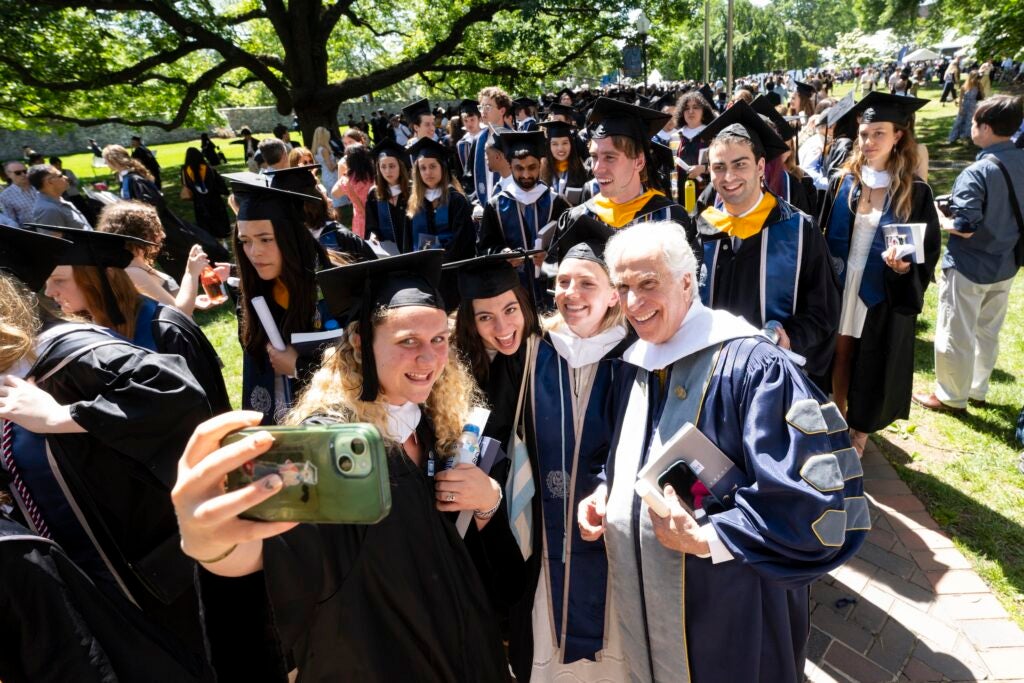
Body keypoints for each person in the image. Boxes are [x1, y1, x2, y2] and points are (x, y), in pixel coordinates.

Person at [172, 251, 511, 682]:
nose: (429, 359)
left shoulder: (428, 420)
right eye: (408, 341)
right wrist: (211, 546)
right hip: (374, 657)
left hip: (460, 645)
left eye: (439, 339)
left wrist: (488, 500)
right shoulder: (330, 444)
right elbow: (276, 547)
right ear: (358, 343)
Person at [577, 220, 867, 683]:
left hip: (731, 606)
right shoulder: (638, 363)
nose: (633, 303)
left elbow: (809, 501)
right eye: (624, 287)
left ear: (688, 281)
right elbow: (639, 455)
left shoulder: (754, 366)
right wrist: (608, 492)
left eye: (649, 284)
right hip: (648, 607)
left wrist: (707, 538)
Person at [0, 224, 215, 680]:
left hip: (144, 577)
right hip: (88, 584)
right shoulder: (10, 376)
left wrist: (61, 418)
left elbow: (175, 389)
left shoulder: (68, 352)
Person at [510, 217, 633, 681]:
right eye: (563, 281)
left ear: (613, 295)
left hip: (612, 540)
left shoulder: (635, 357)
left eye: (587, 282)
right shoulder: (534, 349)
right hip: (544, 534)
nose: (571, 293)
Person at [818, 92, 941, 454]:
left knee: (869, 359)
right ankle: (838, 417)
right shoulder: (844, 181)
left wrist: (905, 269)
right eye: (864, 134)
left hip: (881, 288)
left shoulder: (914, 191)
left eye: (879, 134)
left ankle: (861, 428)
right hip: (842, 281)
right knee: (840, 354)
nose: (869, 142)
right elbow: (823, 229)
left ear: (898, 136)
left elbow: (926, 250)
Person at [695, 100, 840, 386]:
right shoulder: (702, 226)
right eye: (719, 167)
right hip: (707, 369)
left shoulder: (798, 228)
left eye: (740, 164)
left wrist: (792, 337)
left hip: (772, 375)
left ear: (761, 166)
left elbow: (823, 309)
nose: (729, 177)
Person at [36, 224, 231, 415]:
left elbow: (202, 406)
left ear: (103, 277)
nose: (49, 292)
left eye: (59, 280)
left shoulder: (164, 328)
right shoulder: (82, 332)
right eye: (47, 281)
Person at [914, 95, 1024, 413]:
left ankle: (950, 396)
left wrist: (937, 215)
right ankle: (977, 389)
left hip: (970, 264)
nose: (972, 127)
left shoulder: (977, 172)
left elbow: (965, 226)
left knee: (956, 331)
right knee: (988, 331)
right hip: (1006, 264)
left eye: (974, 122)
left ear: (985, 128)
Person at [231, 178, 338, 425]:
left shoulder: (334, 288)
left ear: (291, 237)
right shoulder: (253, 294)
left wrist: (299, 366)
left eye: (265, 239)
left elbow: (360, 368)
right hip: (276, 422)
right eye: (245, 241)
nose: (254, 252)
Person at [559, 98, 694, 257]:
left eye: (610, 157)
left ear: (639, 161)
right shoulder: (579, 218)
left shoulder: (671, 218)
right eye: (594, 157)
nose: (596, 168)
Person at [102, 144, 230, 280]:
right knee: (173, 255)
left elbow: (155, 202)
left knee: (182, 248)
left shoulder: (134, 179)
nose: (106, 164)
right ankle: (192, 276)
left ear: (112, 160)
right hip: (152, 226)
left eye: (106, 160)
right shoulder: (127, 178)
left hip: (160, 224)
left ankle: (210, 265)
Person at [479, 131, 571, 304]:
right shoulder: (496, 205)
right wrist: (502, 254)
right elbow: (485, 246)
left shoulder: (556, 202)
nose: (526, 175)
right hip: (512, 290)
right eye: (519, 168)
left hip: (552, 290)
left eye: (532, 167)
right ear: (509, 165)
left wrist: (551, 256)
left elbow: (572, 243)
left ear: (540, 164)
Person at [97, 200, 223, 317]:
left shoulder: (138, 262)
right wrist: (191, 274)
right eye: (155, 230)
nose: (162, 235)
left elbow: (167, 304)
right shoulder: (131, 272)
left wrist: (193, 302)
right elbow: (179, 313)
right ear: (137, 235)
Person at [405, 137, 475, 263]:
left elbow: (463, 241)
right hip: (422, 272)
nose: (428, 172)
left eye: (433, 166)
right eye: (423, 168)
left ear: (443, 167)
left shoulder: (456, 200)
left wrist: (438, 263)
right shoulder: (414, 203)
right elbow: (408, 243)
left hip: (453, 270)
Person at [365, 139, 412, 254]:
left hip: (414, 250)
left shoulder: (413, 190)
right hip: (390, 254)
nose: (387, 171)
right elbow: (372, 225)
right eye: (383, 167)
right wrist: (373, 236)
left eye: (392, 166)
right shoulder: (374, 194)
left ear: (400, 166)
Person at [470, 87, 512, 207]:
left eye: (488, 107)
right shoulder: (478, 140)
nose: (483, 111)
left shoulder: (512, 139)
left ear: (502, 111)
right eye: (481, 107)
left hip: (509, 206)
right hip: (485, 205)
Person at [674, 90, 717, 205]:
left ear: (704, 112)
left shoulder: (712, 136)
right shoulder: (675, 137)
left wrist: (703, 169)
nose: (690, 111)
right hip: (679, 193)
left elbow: (722, 164)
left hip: (705, 193)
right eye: (686, 108)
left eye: (695, 107)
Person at [180, 147, 232, 239]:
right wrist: (225, 191)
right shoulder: (208, 168)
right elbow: (219, 183)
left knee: (204, 220)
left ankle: (208, 235)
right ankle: (222, 233)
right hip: (214, 199)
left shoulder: (185, 171)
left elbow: (185, 184)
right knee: (218, 218)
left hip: (199, 201)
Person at [539, 119, 590, 207]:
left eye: (565, 143)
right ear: (549, 146)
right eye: (555, 144)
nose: (560, 148)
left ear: (571, 144)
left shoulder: (581, 171)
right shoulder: (541, 171)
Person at [27, 164, 92, 230]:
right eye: (60, 176)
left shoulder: (58, 200)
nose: (66, 177)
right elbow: (55, 239)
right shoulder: (48, 210)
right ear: (50, 182)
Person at [331, 143, 375, 238]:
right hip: (377, 215)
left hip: (360, 219)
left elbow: (335, 193)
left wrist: (341, 169)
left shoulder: (348, 179)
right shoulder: (374, 173)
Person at [0, 160, 38, 227]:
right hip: (31, 232)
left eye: (25, 171)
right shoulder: (5, 196)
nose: (23, 174)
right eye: (18, 173)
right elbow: (12, 222)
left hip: (54, 225)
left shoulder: (39, 185)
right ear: (9, 175)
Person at [948, 70, 983, 143]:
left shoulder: (979, 85)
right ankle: (953, 137)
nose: (977, 80)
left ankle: (967, 137)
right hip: (965, 105)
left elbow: (982, 96)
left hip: (973, 106)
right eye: (976, 78)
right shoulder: (964, 87)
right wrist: (960, 108)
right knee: (959, 121)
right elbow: (960, 99)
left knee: (969, 122)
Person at [311, 126, 340, 208]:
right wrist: (339, 163)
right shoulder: (324, 150)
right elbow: (331, 168)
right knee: (336, 201)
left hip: (324, 175)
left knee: (332, 199)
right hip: (332, 176)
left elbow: (317, 164)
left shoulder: (315, 150)